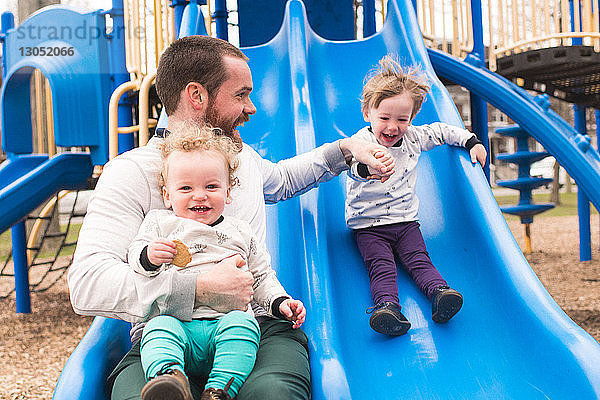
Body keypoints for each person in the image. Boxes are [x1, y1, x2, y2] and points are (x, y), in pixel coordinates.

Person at [68, 35, 395, 400]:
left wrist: (346, 149)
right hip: (165, 333)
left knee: (272, 394)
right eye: (240, 95)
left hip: (253, 324)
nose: (251, 107)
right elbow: (88, 283)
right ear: (197, 96)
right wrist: (196, 288)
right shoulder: (132, 172)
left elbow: (283, 179)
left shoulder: (241, 159)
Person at [130, 124, 305, 400]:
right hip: (177, 321)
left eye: (211, 186)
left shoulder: (240, 231)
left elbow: (260, 276)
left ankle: (219, 389)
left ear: (228, 191)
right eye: (186, 187)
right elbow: (136, 259)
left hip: (225, 321)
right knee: (157, 329)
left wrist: (279, 301)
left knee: (244, 326)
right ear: (167, 195)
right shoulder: (159, 224)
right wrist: (149, 255)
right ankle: (169, 379)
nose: (199, 195)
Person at [345, 56, 487, 336]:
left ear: (411, 118)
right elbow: (351, 167)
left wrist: (472, 141)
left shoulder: (414, 137)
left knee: (419, 259)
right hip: (369, 226)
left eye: (402, 119)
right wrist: (367, 168)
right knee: (382, 267)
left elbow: (442, 131)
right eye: (384, 118)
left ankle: (440, 294)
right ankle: (387, 309)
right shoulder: (361, 142)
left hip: (406, 221)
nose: (392, 126)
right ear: (367, 114)